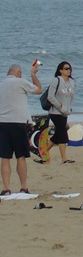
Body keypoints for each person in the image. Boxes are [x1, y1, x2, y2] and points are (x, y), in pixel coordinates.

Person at [0, 61, 42, 196]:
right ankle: (23, 187)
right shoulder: (20, 82)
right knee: (21, 156)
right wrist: (33, 74)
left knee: (5, 157)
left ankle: (6, 188)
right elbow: (38, 89)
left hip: (3, 123)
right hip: (18, 123)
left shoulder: (1, 84)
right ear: (18, 73)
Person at [40, 61, 76, 164]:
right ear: (60, 70)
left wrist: (69, 108)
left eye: (69, 68)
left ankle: (43, 154)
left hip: (65, 112)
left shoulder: (72, 82)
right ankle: (64, 158)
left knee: (57, 135)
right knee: (62, 133)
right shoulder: (56, 81)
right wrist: (60, 106)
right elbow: (50, 97)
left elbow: (72, 97)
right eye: (66, 68)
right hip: (55, 112)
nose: (68, 70)